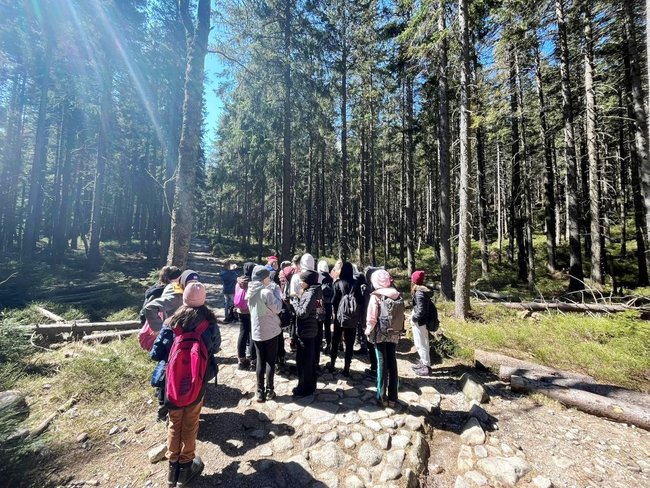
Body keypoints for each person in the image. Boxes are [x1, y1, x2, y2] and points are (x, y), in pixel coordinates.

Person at [150, 281, 221, 488]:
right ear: (203, 299)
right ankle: (186, 467)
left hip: (173, 381)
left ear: (184, 298)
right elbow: (216, 346)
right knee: (191, 422)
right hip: (197, 381)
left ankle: (172, 469)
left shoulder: (171, 322)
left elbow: (155, 353)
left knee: (175, 422)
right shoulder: (209, 323)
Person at [365, 269, 402, 408]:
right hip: (394, 333)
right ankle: (393, 398)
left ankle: (381, 396)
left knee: (382, 364)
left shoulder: (376, 296)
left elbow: (372, 317)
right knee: (392, 363)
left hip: (380, 334)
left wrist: (368, 330)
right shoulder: (396, 294)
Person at [247, 265, 283, 402]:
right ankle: (269, 390)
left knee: (260, 361)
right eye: (267, 277)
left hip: (257, 331)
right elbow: (277, 309)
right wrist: (276, 292)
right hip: (270, 331)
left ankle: (259, 391)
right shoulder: (266, 292)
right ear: (263, 278)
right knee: (270, 361)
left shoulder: (250, 291)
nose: (269, 279)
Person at [328, 262, 360, 377]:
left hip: (339, 317)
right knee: (350, 343)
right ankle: (347, 368)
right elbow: (360, 301)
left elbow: (332, 301)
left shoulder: (337, 283)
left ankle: (332, 364)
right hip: (352, 318)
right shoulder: (356, 284)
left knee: (336, 340)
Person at [293, 269, 321, 397]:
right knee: (309, 361)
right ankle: (310, 386)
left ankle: (304, 388)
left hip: (306, 332)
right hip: (309, 331)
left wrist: (295, 302)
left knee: (303, 362)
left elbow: (302, 313)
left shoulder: (310, 294)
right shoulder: (310, 292)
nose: (300, 282)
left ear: (308, 282)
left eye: (302, 280)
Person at [410, 270, 435, 376]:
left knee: (421, 344)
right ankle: (423, 362)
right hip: (422, 322)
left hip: (420, 323)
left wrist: (414, 318)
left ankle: (426, 367)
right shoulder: (421, 291)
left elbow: (421, 310)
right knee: (421, 343)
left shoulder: (419, 293)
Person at [234, 262, 257, 370]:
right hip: (251, 311)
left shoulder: (238, 282)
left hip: (241, 311)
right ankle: (253, 360)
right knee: (252, 335)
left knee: (242, 334)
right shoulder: (253, 283)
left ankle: (241, 359)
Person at [317, 260, 334, 357]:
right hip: (328, 304)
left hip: (319, 303)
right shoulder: (330, 278)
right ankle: (328, 344)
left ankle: (319, 344)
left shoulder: (318, 276)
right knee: (327, 326)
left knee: (319, 325)